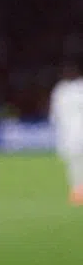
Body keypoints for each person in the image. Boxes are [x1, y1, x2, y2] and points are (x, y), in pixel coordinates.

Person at [49, 62, 83, 205]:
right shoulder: (60, 90)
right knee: (73, 161)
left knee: (77, 161)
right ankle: (77, 190)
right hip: (68, 132)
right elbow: (55, 113)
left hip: (77, 130)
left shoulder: (78, 88)